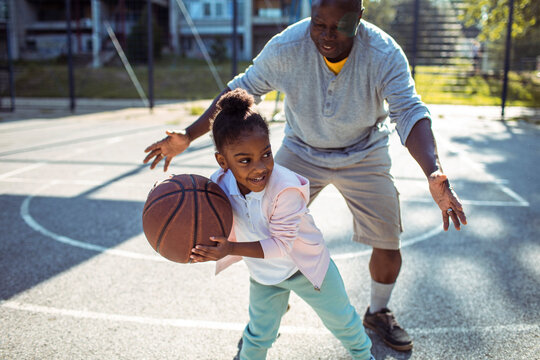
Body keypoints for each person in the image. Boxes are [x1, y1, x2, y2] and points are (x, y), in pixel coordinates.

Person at [143, 0, 467, 352]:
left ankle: (377, 311)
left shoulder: (384, 53)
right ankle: (271, 306)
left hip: (364, 151)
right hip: (302, 148)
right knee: (265, 228)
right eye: (318, 24)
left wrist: (432, 170)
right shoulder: (288, 46)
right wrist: (189, 136)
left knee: (388, 240)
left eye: (339, 26)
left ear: (360, 17)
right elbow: (242, 90)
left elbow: (409, 111)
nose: (327, 35)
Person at [189, 88, 374, 360]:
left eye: (266, 154)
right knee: (258, 334)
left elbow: (281, 245)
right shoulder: (218, 183)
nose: (260, 167)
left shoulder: (285, 188)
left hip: (307, 269)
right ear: (222, 162)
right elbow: (203, 214)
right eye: (245, 160)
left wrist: (229, 248)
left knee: (342, 322)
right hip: (265, 276)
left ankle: (365, 355)